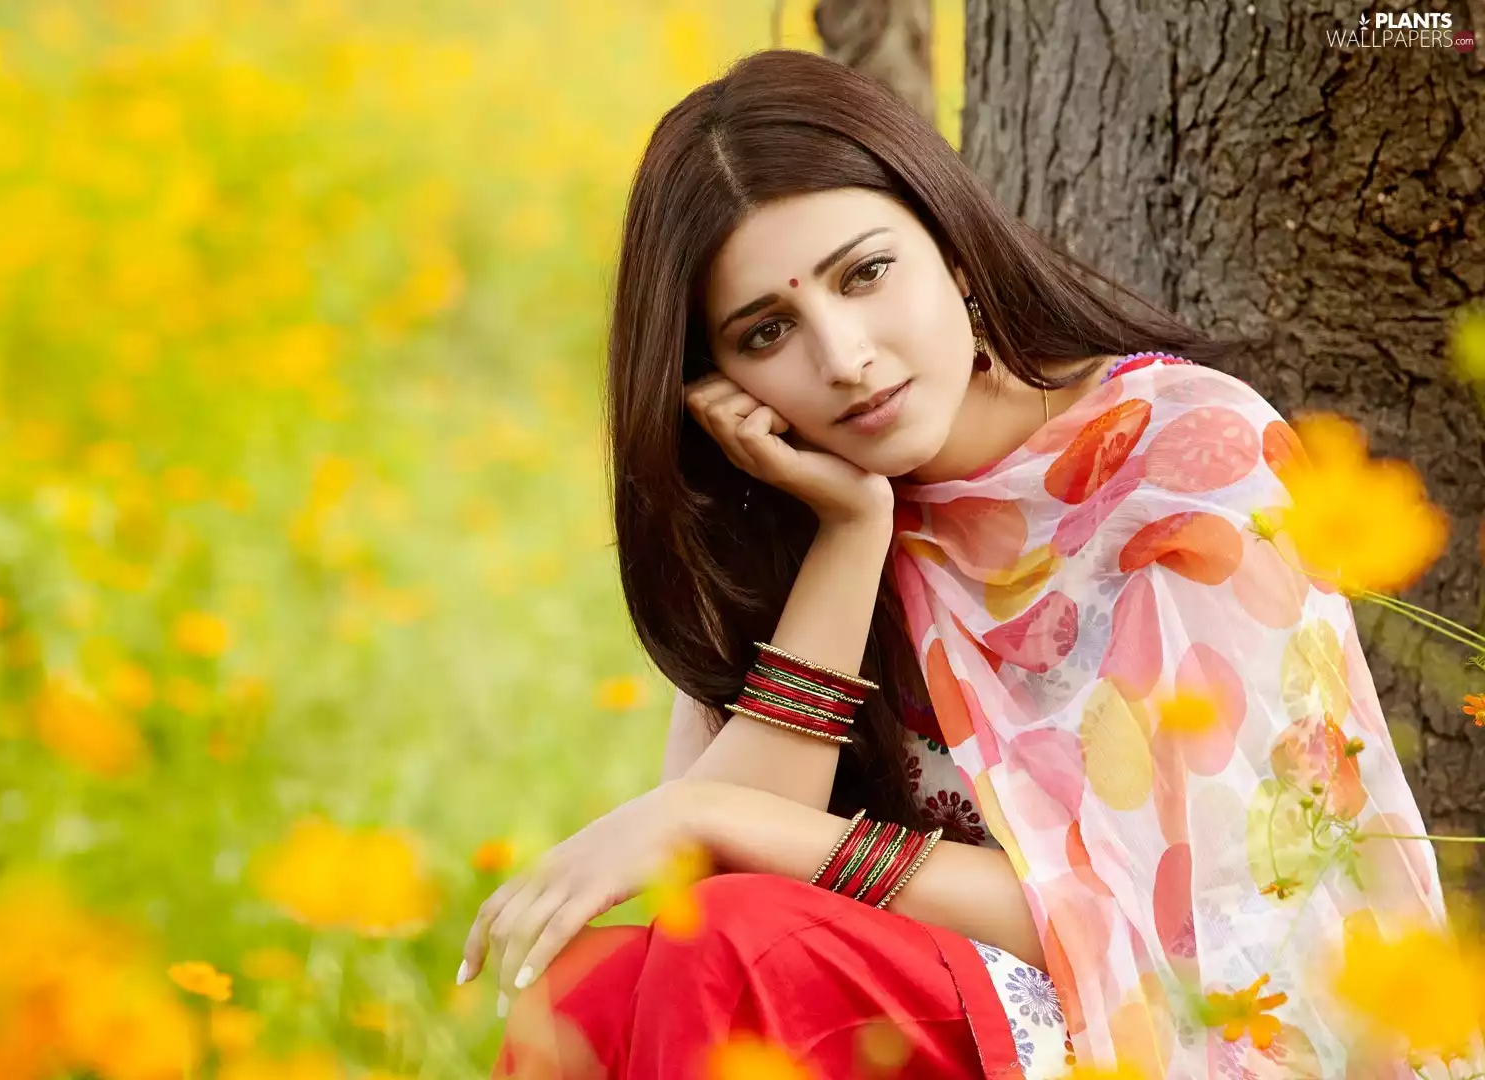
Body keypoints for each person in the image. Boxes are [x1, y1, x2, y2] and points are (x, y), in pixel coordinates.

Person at [457, 48, 1473, 1080]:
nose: (844, 357)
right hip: (907, 1006)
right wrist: (849, 535)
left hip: (1186, 1028)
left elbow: (1172, 923)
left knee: (736, 949)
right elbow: (716, 880)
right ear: (718, 383)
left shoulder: (1179, 462)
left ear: (951, 246)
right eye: (767, 332)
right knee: (589, 998)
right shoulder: (786, 519)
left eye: (866, 274)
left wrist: (710, 810)